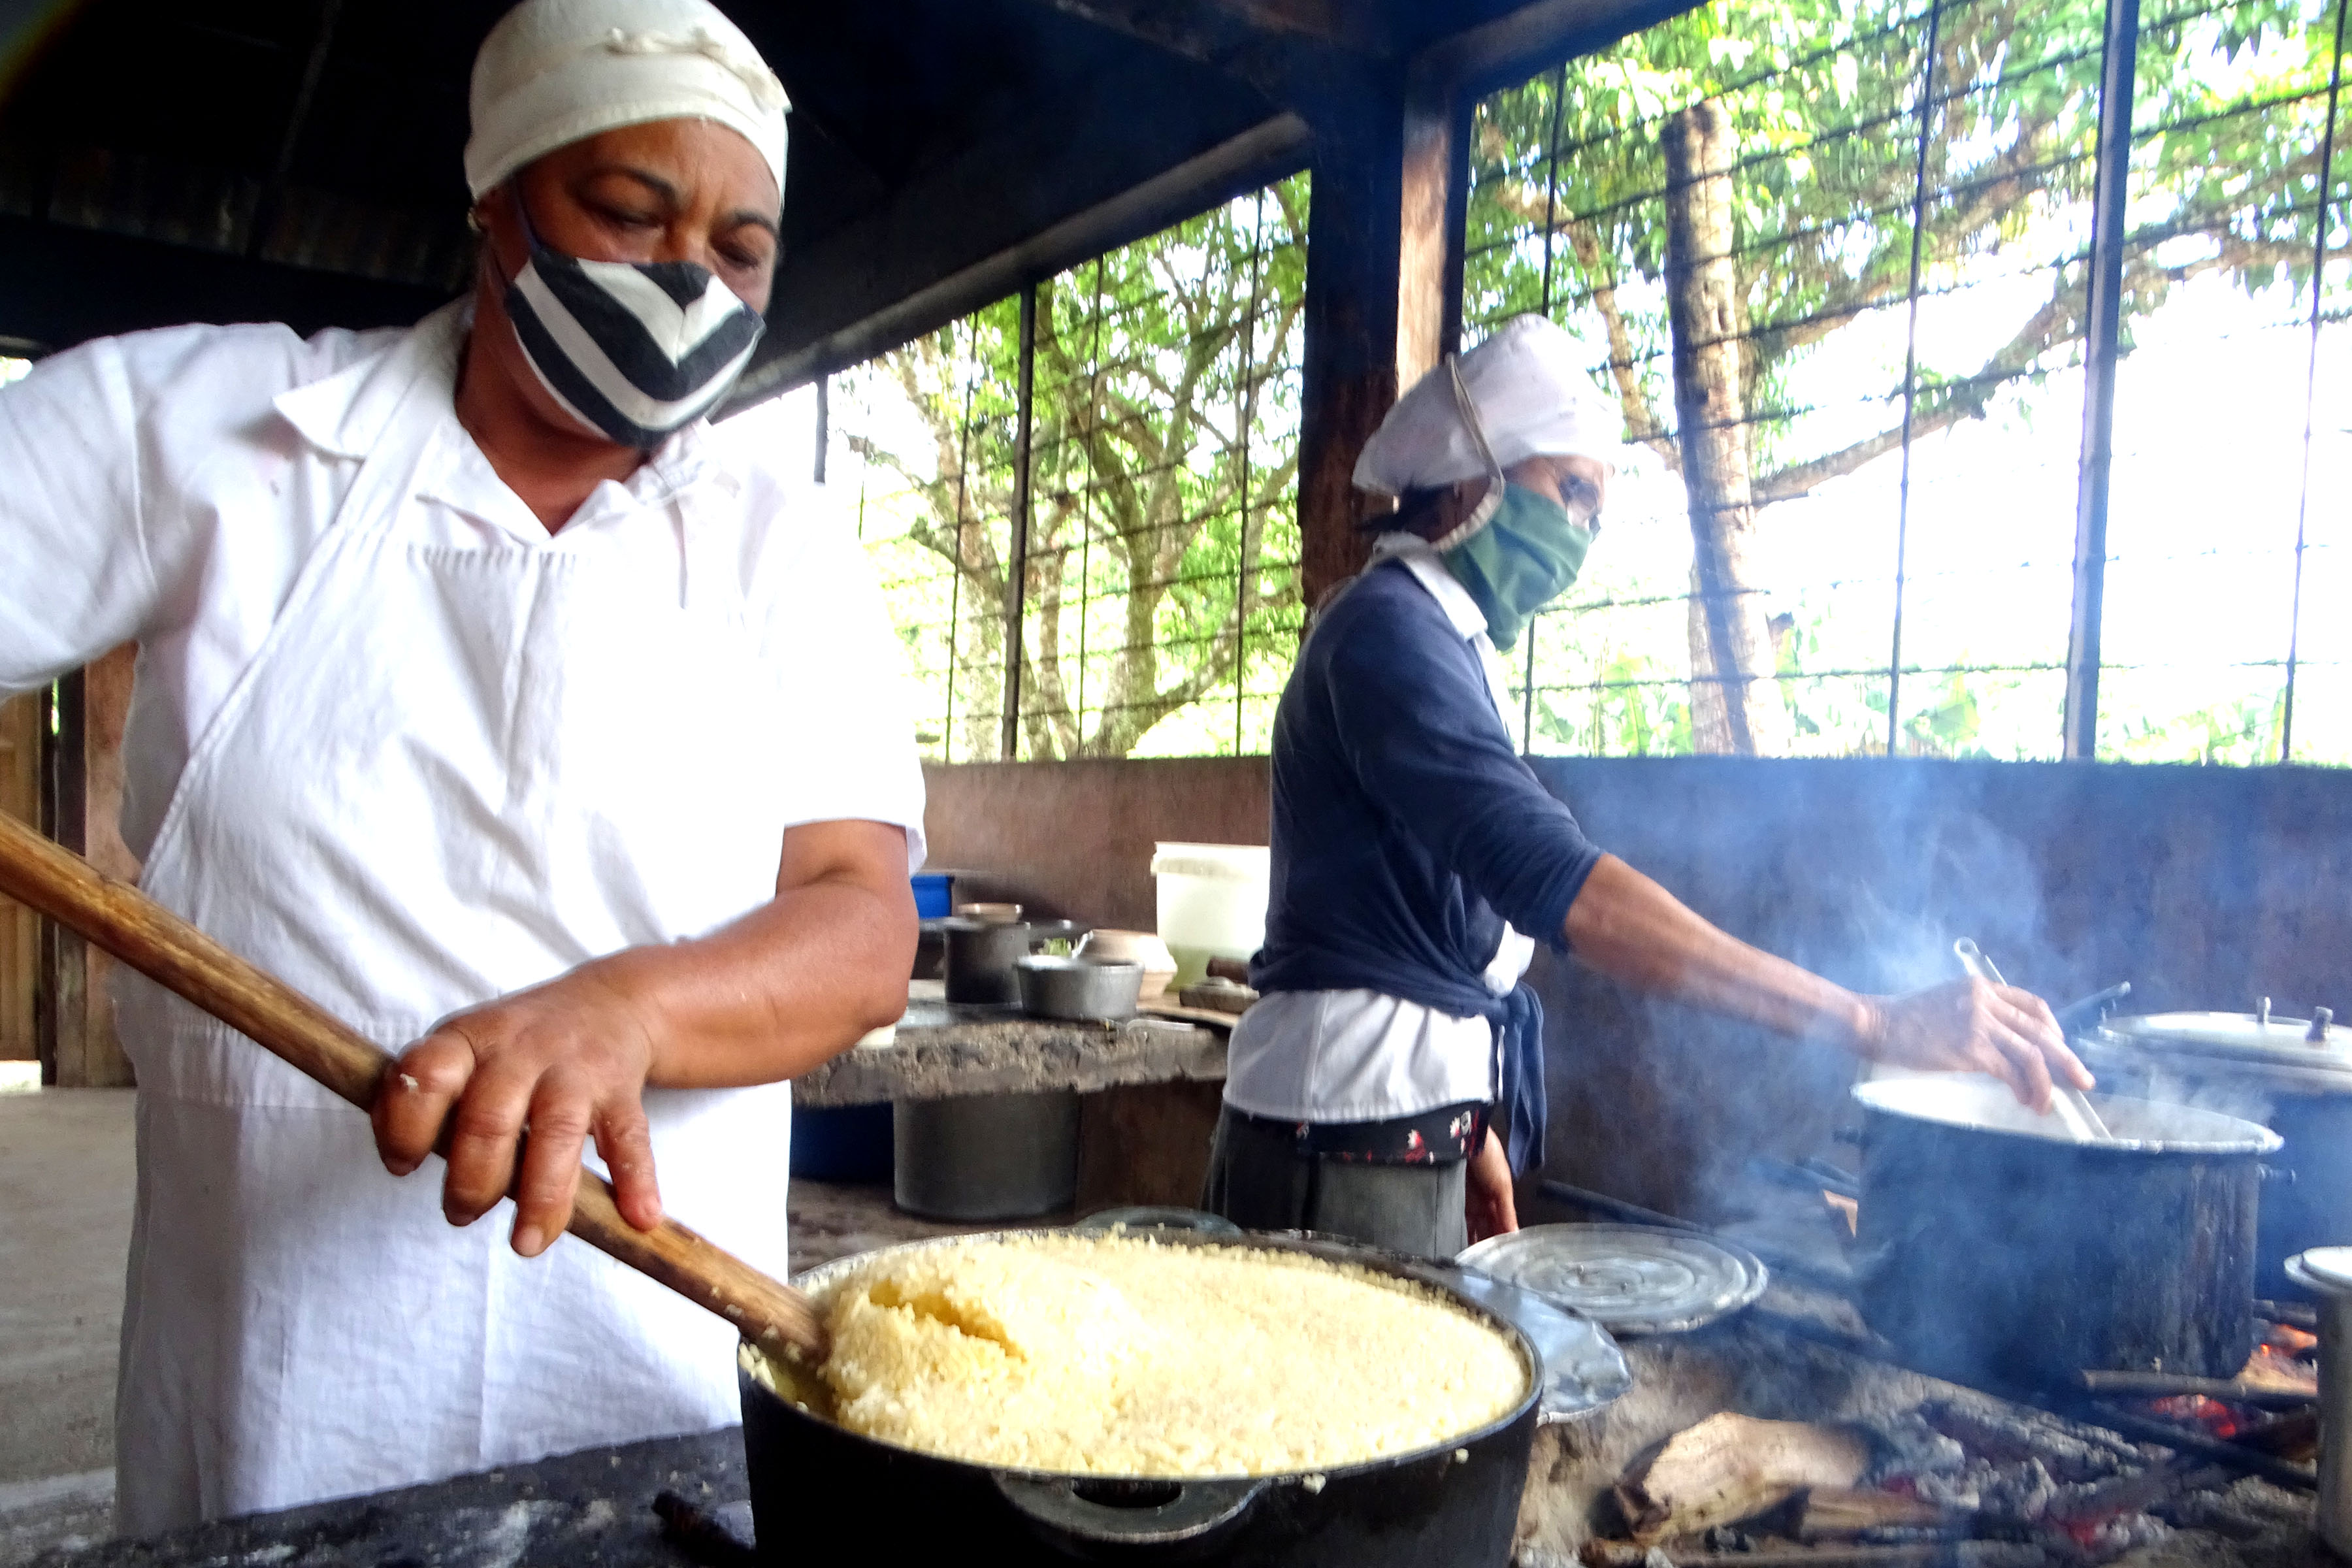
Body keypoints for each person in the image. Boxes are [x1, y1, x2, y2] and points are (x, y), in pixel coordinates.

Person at [0, 0, 924, 1533]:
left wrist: (629, 1011)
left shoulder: (784, 543)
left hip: (647, 1406)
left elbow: (860, 921)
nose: (688, 281)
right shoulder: (229, 433)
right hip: (283, 1406)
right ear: (497, 199)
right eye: (629, 214)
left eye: (742, 250)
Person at [1201, 314, 2091, 1259]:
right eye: (1571, 490)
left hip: (1385, 1128)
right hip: (1335, 1141)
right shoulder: (1388, 636)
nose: (1583, 530)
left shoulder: (1438, 640)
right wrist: (1870, 1019)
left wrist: (1465, 1122)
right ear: (1473, 472)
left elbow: (1412, 919)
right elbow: (1565, 890)